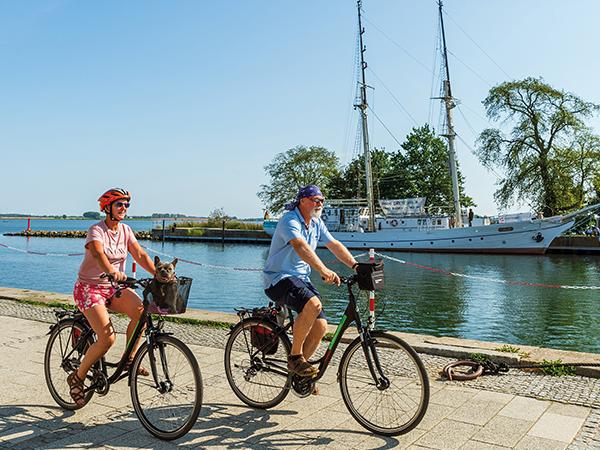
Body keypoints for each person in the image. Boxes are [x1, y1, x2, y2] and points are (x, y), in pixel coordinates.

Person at [67, 188, 156, 406]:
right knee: (107, 338)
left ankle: (130, 359)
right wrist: (111, 271)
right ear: (107, 208)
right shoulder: (96, 230)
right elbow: (97, 253)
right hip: (89, 288)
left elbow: (141, 255)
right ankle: (76, 378)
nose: (124, 208)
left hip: (112, 287)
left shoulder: (125, 230)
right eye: (119, 205)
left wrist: (158, 275)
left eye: (126, 205)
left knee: (141, 311)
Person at [263, 185, 358, 378]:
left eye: (322, 200)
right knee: (313, 304)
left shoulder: (316, 222)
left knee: (321, 326)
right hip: (278, 278)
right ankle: (295, 357)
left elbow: (334, 245)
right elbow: (300, 246)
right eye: (316, 199)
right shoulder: (290, 220)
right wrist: (323, 270)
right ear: (302, 201)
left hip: (301, 278)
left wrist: (356, 266)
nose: (320, 203)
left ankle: (299, 375)